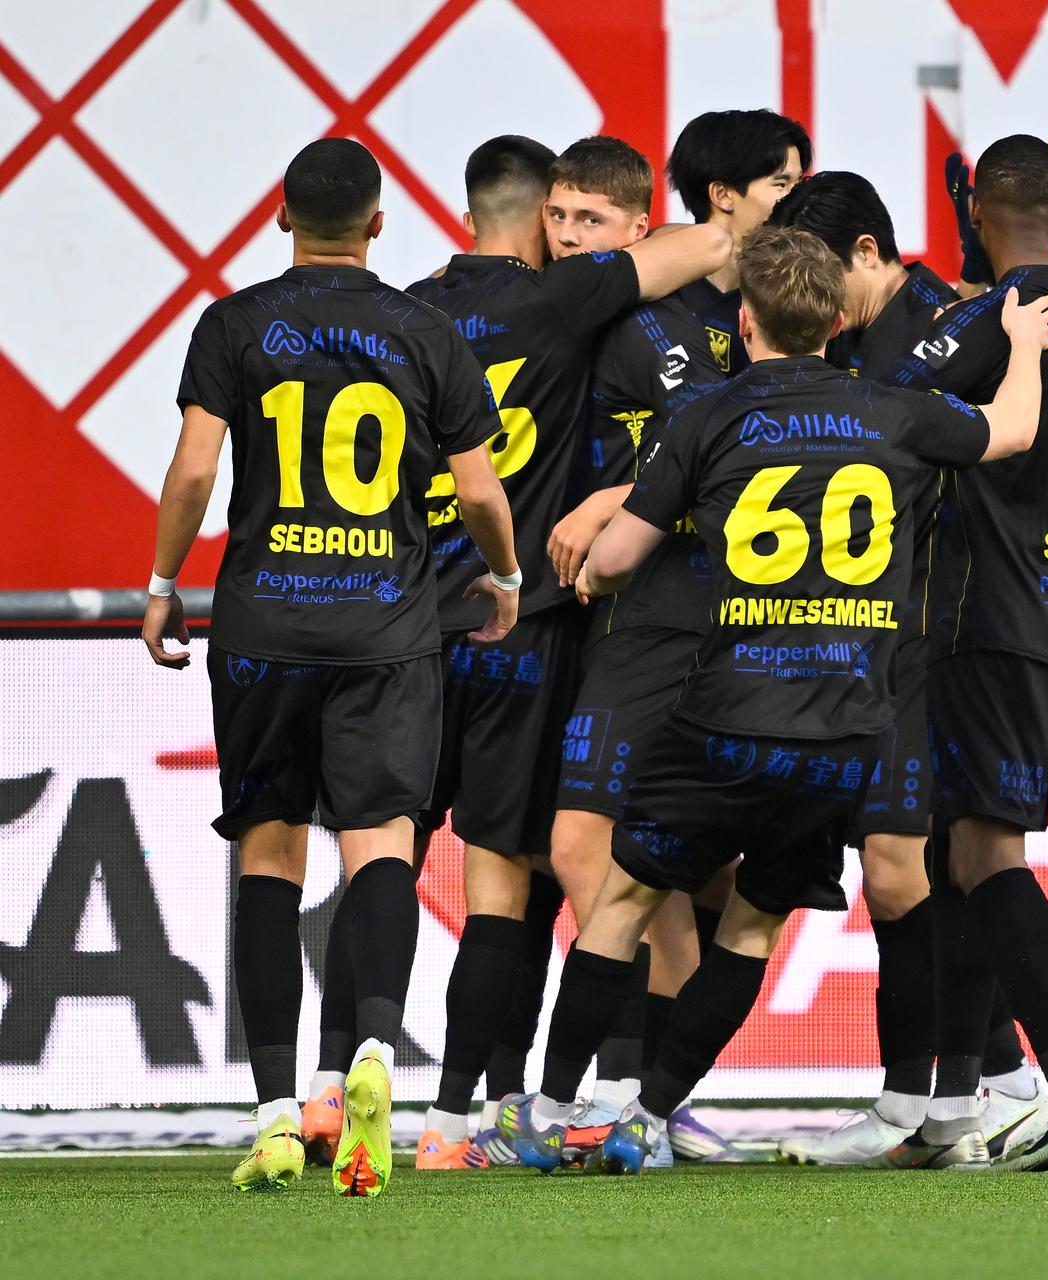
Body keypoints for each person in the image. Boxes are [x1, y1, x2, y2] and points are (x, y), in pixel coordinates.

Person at [496, 225, 1048, 1173]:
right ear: (839, 322)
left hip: (724, 714)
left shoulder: (709, 413)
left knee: (626, 899)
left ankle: (554, 1114)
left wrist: (597, 566)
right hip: (845, 728)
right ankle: (645, 1120)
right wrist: (1023, 348)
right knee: (755, 922)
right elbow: (1011, 430)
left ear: (745, 321)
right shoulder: (898, 410)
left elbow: (622, 554)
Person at [322, 134, 724, 1173]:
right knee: (516, 871)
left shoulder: (403, 310)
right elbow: (697, 249)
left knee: (380, 856)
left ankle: (354, 1092)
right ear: (541, 208)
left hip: (399, 627)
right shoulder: (564, 303)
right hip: (520, 624)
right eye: (565, 216)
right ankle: (529, 1110)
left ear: (460, 207)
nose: (570, 234)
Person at [140, 137, 520, 1196]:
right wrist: (504, 573)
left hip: (263, 627)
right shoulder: (424, 330)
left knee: (268, 857)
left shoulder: (235, 323)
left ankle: (269, 1112)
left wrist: (164, 580)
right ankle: (373, 1057)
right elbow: (483, 494)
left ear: (280, 216)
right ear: (380, 224)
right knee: (381, 848)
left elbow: (194, 468)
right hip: (385, 634)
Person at [537, 109, 812, 1165]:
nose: (568, 235)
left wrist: (613, 491)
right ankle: (631, 1098)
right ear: (724, 199)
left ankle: (645, 1101)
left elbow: (727, 460)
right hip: (639, 616)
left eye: (589, 216)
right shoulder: (640, 310)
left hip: (735, 618)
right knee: (589, 850)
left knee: (686, 873)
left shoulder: (770, 314)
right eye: (559, 216)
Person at [877, 135, 1048, 1172]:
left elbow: (893, 395)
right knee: (961, 857)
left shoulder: (991, 320)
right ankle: (954, 1108)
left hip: (990, 617)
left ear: (977, 217)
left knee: (988, 856)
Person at [765, 170, 1045, 1165]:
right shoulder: (858, 343)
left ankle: (937, 1099)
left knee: (919, 873)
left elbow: (1029, 429)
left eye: (825, 269)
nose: (814, 291)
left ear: (874, 254)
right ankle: (974, 1094)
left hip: (941, 641)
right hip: (879, 642)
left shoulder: (959, 325)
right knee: (915, 873)